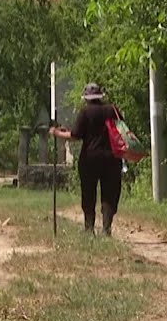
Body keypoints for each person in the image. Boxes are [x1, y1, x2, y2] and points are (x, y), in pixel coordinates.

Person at [50, 82, 123, 237]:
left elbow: (75, 135)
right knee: (110, 194)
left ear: (87, 98)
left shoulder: (85, 112)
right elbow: (122, 131)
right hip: (112, 158)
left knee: (88, 193)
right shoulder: (112, 110)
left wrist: (56, 133)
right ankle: (106, 228)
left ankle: (89, 228)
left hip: (90, 159)